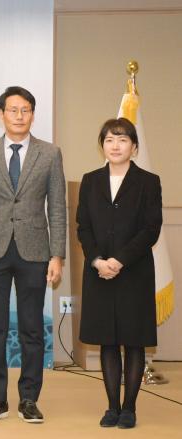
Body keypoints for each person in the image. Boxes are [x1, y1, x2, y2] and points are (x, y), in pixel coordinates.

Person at [0, 86, 66, 423]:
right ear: (1, 114)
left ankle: (29, 399)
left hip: (34, 251)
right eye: (13, 110)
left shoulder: (50, 153)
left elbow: (57, 207)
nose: (19, 116)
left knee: (32, 329)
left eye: (25, 110)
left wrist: (57, 255)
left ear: (33, 115)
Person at [77, 117, 162, 429]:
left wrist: (119, 261)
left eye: (123, 140)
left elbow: (150, 229)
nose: (116, 146)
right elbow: (83, 226)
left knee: (134, 341)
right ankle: (112, 407)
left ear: (134, 147)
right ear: (102, 145)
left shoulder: (148, 181)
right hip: (98, 272)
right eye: (110, 140)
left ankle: (130, 408)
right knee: (108, 341)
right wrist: (97, 260)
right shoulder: (90, 180)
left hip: (134, 272)